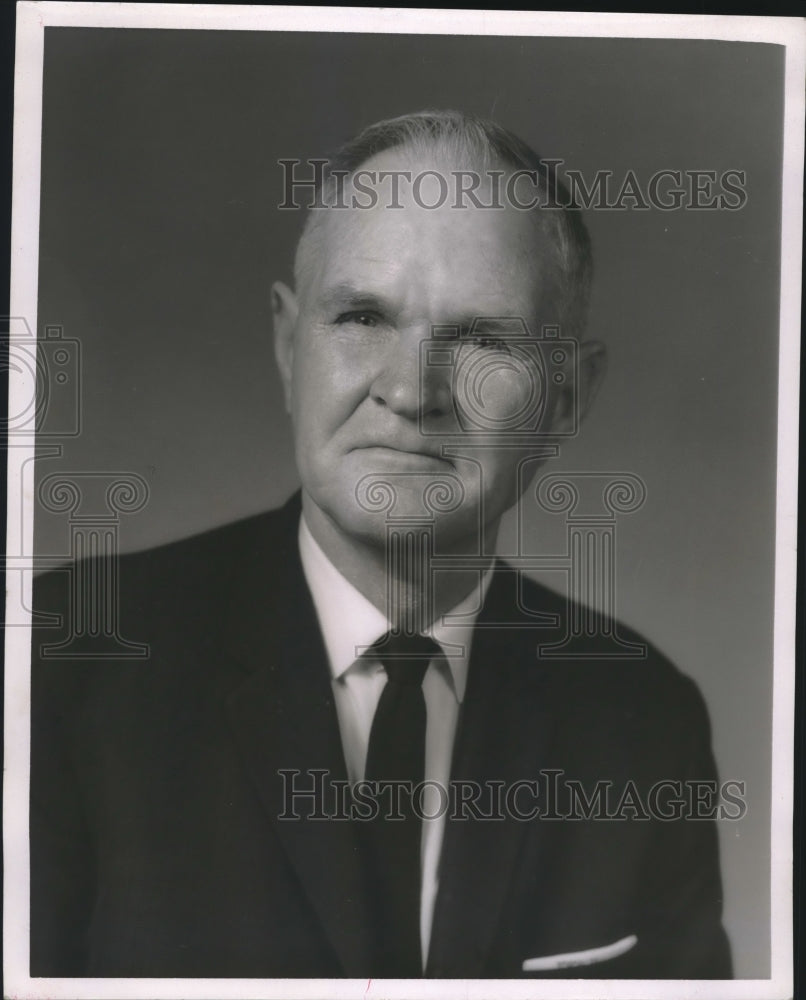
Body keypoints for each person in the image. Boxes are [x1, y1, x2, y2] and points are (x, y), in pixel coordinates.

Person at [30, 110, 732, 979]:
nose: (410, 390)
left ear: (565, 397)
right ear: (290, 346)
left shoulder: (644, 722)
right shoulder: (61, 662)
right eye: (362, 317)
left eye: (481, 339)